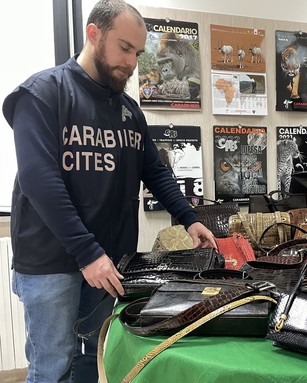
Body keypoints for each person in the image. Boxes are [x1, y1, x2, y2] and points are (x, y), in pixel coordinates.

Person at [2, 1, 217, 382]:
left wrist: (189, 218)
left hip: (108, 262)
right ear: (93, 33)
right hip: (53, 262)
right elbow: (40, 181)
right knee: (53, 367)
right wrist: (88, 253)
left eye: (137, 52)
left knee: (92, 358)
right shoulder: (42, 94)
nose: (132, 62)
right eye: (124, 48)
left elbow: (154, 171)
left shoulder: (130, 111)